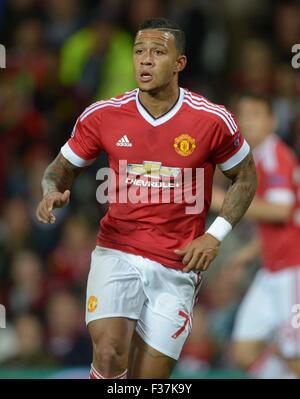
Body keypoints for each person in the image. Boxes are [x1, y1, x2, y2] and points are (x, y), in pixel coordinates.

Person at [36, 18, 256, 379]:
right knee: (108, 353)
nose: (146, 61)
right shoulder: (104, 114)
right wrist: (50, 192)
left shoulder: (212, 120)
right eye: (139, 52)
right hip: (117, 249)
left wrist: (214, 236)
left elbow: (246, 176)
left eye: (157, 52)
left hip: (177, 263)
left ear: (180, 63)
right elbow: (57, 170)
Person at [212, 93, 300, 378]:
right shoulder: (258, 159)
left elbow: (281, 211)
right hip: (271, 269)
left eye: (255, 114)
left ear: (271, 122)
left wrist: (223, 201)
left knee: (294, 357)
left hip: (292, 271)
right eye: (243, 115)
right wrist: (248, 254)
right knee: (244, 350)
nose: (247, 121)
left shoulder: (276, 157)